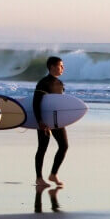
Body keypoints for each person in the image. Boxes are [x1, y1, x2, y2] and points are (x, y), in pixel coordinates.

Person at [33, 56, 69, 188]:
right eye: (60, 66)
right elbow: (36, 103)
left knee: (64, 146)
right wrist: (40, 121)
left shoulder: (60, 84)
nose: (62, 68)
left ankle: (53, 174)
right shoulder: (43, 83)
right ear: (52, 67)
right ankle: (39, 178)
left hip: (57, 121)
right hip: (44, 121)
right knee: (42, 148)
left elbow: (60, 104)